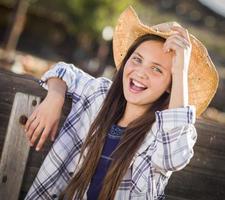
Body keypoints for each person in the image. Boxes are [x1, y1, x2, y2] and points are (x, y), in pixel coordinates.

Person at [24, 6, 218, 200]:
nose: (140, 72)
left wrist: (180, 69)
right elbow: (64, 71)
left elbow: (174, 157)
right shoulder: (100, 95)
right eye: (137, 59)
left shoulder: (163, 132)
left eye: (157, 69)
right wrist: (55, 97)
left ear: (171, 85)